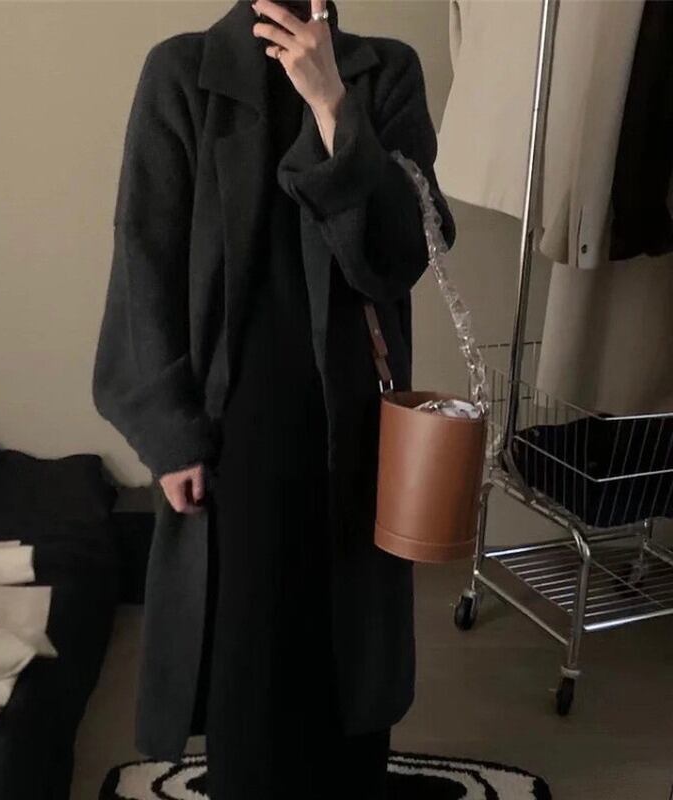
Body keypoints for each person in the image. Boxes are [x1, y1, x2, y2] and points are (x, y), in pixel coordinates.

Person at [92, 1, 455, 797]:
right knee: (248, 665)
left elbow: (399, 254)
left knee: (349, 660)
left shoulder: (385, 71)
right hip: (234, 433)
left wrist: (332, 105)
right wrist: (169, 433)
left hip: (359, 424)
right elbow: (144, 259)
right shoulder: (183, 72)